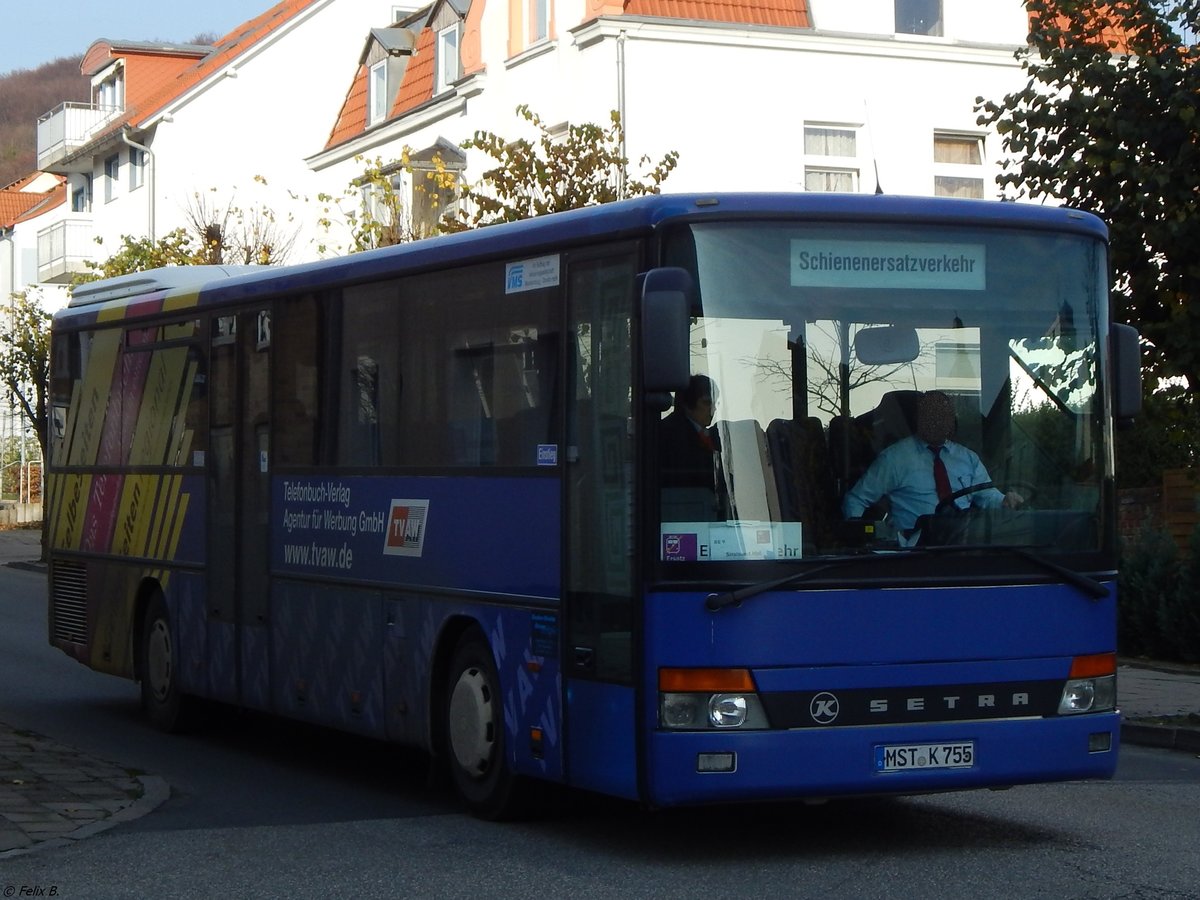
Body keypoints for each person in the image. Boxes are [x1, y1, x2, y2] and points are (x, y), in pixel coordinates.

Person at [842, 390, 1022, 532]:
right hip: (914, 552)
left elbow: (988, 496)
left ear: (952, 422)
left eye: (943, 416)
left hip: (962, 545)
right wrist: (859, 538)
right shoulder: (895, 458)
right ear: (918, 419)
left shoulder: (968, 458)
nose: (937, 422)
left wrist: (1004, 500)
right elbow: (856, 499)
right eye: (931, 416)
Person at [659, 375, 720, 488]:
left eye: (715, 403)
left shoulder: (712, 434)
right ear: (687, 403)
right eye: (707, 402)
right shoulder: (671, 435)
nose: (713, 409)